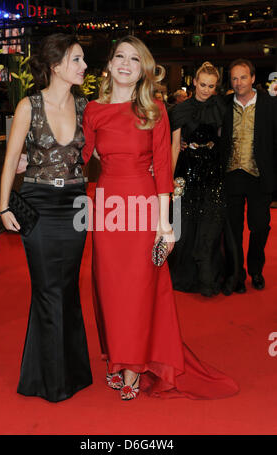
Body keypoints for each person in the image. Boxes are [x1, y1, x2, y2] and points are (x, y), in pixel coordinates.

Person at [82, 37, 239, 401]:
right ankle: (118, 358)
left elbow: (163, 172)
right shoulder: (93, 110)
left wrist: (165, 224)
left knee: (139, 290)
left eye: (134, 59)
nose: (125, 63)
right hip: (107, 208)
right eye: (119, 56)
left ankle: (134, 368)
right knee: (110, 288)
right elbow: (81, 156)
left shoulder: (154, 109)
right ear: (109, 65)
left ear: (143, 70)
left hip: (143, 205)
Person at [0, 33, 92, 402]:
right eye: (77, 60)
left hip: (75, 205)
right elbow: (11, 160)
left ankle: (73, 371)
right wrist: (3, 205)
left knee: (67, 289)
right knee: (47, 289)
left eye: (83, 60)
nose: (84, 67)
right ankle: (52, 380)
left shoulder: (86, 106)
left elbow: (102, 150)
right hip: (38, 203)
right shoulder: (28, 106)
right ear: (56, 66)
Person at [168, 62, 238, 297]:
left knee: (210, 224)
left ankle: (208, 278)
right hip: (186, 169)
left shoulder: (220, 107)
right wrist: (169, 179)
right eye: (203, 84)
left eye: (211, 86)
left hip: (212, 170)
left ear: (216, 86)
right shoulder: (181, 110)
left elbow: (223, 140)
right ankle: (184, 277)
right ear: (194, 82)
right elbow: (175, 146)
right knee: (184, 225)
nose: (206, 90)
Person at [221, 59, 277, 293]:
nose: (238, 82)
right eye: (234, 78)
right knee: (231, 229)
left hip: (259, 176)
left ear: (253, 78)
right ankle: (236, 274)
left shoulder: (271, 105)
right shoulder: (222, 104)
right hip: (231, 175)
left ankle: (255, 269)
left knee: (260, 226)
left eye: (243, 77)